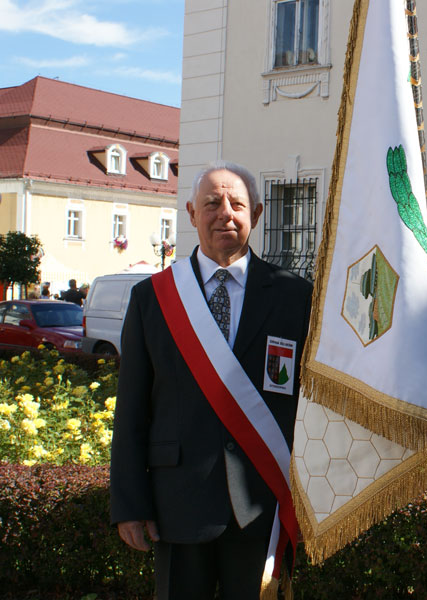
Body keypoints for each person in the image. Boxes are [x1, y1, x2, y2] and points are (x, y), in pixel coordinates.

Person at [110, 161, 313, 599]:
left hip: (263, 505)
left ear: (256, 215)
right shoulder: (153, 299)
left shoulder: (296, 297)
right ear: (191, 213)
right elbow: (131, 411)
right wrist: (130, 504)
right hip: (178, 503)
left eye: (237, 204)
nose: (225, 213)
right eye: (211, 203)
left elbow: (316, 392)